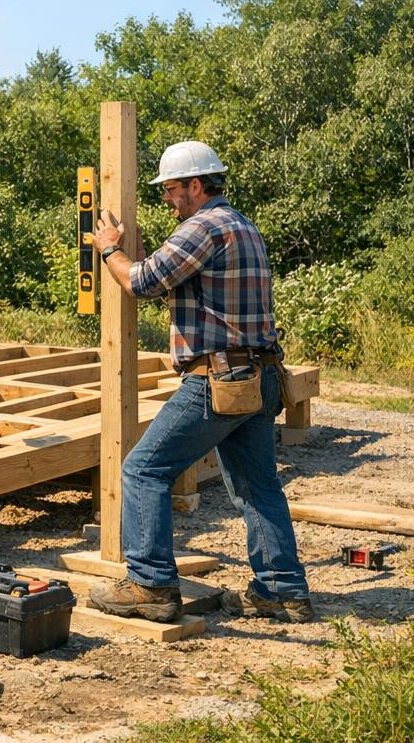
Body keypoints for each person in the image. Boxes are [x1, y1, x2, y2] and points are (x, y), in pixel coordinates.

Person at [87, 140, 313, 624]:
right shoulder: (242, 225)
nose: (168, 198)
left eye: (172, 189)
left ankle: (150, 586)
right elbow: (161, 279)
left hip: (220, 380)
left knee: (143, 470)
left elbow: (142, 283)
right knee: (256, 486)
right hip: (259, 377)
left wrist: (109, 249)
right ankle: (281, 591)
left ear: (196, 184)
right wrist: (133, 253)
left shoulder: (202, 228)